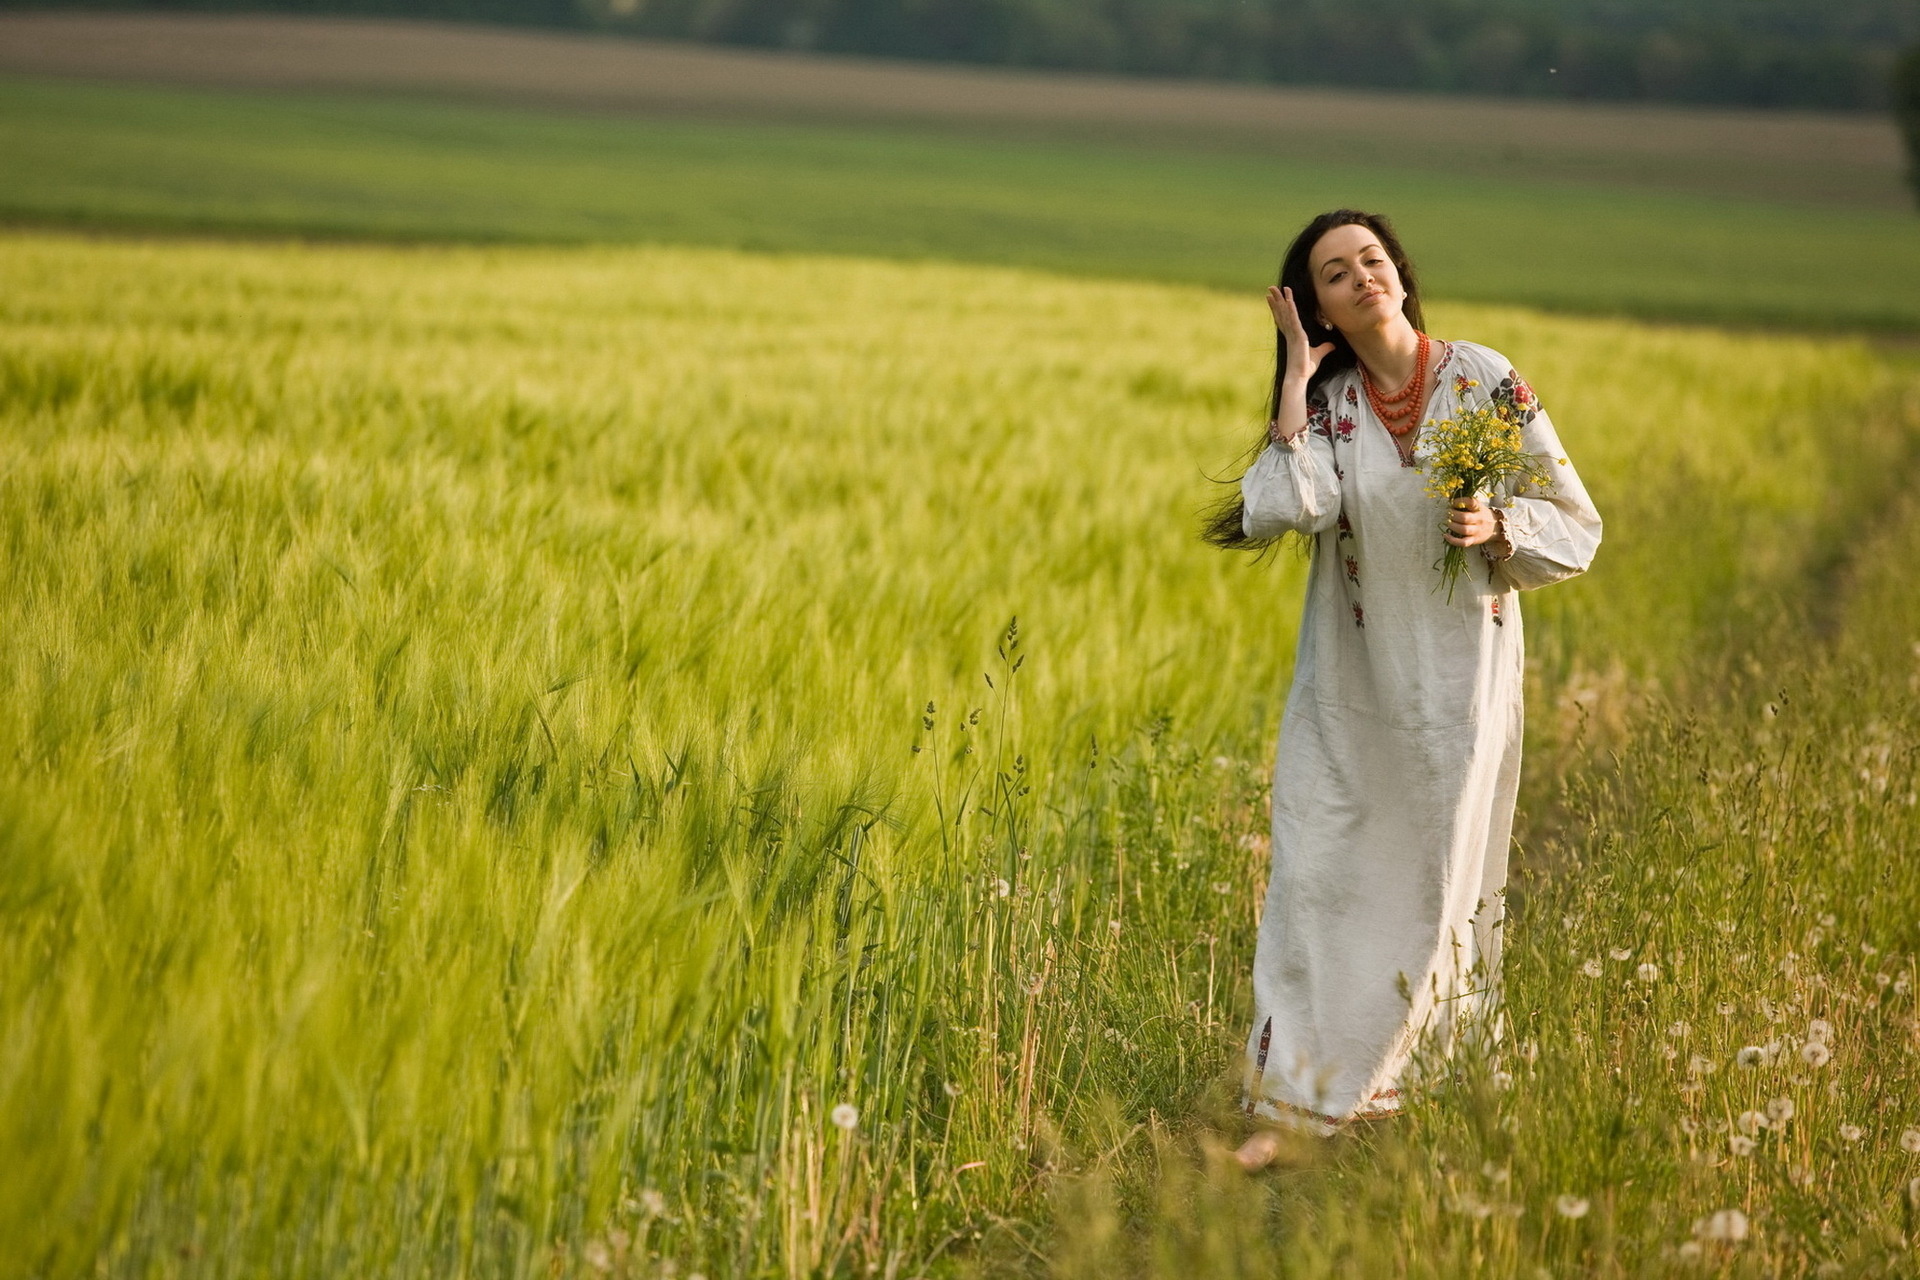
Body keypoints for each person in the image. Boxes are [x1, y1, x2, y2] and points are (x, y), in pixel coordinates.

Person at [1201, 210, 1602, 1167]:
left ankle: (1393, 1081)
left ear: (1400, 272)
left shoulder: (1485, 381)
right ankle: (1300, 1094)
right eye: (1335, 273)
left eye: (1371, 260)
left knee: (1431, 885)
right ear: (1318, 305)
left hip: (1457, 688)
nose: (1362, 278)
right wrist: (1297, 377)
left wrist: (1498, 525)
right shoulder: (1331, 403)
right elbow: (1287, 506)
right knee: (1317, 870)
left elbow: (1577, 525)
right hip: (1348, 684)